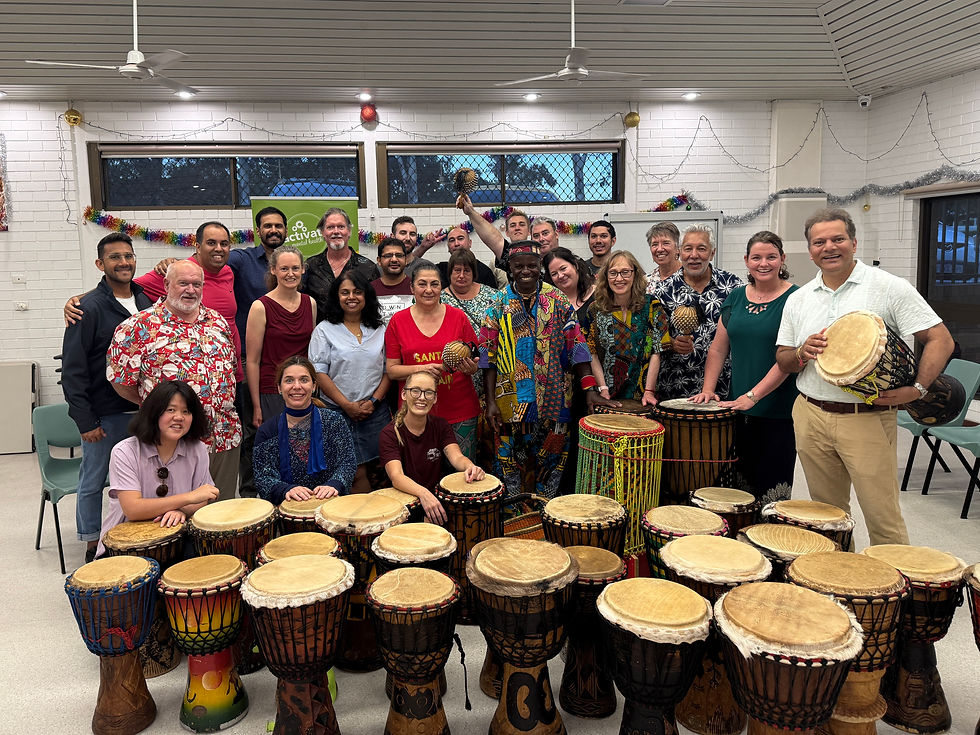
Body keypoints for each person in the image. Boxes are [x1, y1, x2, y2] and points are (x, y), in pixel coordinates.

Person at [776, 208, 954, 545]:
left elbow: (940, 339)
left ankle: (891, 596)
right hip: (811, 414)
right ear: (810, 249)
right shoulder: (798, 299)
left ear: (854, 243)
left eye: (837, 239)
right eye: (819, 242)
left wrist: (917, 389)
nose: (829, 247)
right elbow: (783, 358)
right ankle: (840, 588)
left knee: (881, 517)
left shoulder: (888, 287)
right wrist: (801, 352)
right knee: (826, 516)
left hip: (868, 417)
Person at [107, 259, 242, 500]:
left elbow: (230, 369)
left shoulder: (218, 322)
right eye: (183, 283)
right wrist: (158, 407)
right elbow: (121, 382)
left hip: (223, 436)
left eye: (197, 284)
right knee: (173, 517)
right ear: (166, 284)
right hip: (171, 444)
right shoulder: (136, 328)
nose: (191, 290)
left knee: (220, 517)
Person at [480, 241, 603, 498]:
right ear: (509, 269)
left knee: (552, 465)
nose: (526, 270)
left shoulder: (557, 299)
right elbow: (487, 356)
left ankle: (546, 515)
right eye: (519, 266)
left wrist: (589, 388)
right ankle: (515, 517)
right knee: (509, 466)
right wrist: (490, 400)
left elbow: (577, 346)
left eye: (532, 265)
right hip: (509, 403)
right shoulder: (497, 302)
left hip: (554, 400)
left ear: (540, 268)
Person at [62, 233, 153, 562]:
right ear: (101, 264)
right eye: (115, 257)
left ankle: (132, 534)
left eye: (128, 256)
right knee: (94, 477)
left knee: (136, 478)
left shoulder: (146, 301)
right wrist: (85, 420)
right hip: (105, 414)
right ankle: (91, 544)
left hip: (143, 412)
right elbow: (73, 371)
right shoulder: (87, 309)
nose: (123, 262)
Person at [64, 221, 244, 385]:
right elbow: (124, 283)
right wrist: (80, 300)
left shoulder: (228, 272)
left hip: (228, 376)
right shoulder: (174, 272)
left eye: (224, 244)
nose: (218, 248)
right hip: (186, 386)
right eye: (211, 243)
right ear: (197, 246)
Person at [691, 231, 799, 503]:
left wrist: (754, 396)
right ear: (747, 261)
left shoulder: (797, 299)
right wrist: (708, 389)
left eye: (771, 257)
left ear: (782, 259)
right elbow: (718, 348)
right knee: (739, 486)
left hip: (779, 409)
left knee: (772, 487)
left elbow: (787, 359)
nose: (764, 263)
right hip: (737, 406)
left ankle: (769, 539)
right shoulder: (736, 297)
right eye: (757, 257)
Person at [96, 380, 220, 557]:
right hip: (125, 545)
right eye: (171, 410)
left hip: (176, 538)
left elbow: (203, 498)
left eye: (186, 411)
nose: (179, 417)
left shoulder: (197, 449)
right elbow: (133, 509)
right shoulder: (125, 451)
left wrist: (181, 510)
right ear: (154, 412)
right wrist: (188, 498)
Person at [385, 261, 482, 458]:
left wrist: (472, 368)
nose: (428, 290)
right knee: (421, 476)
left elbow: (479, 357)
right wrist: (422, 369)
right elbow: (392, 370)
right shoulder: (398, 321)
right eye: (422, 284)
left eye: (434, 284)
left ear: (441, 287)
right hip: (416, 413)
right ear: (412, 288)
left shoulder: (458, 317)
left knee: (462, 477)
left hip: (459, 410)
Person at [309, 269, 391, 492]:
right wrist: (347, 405)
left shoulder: (380, 329)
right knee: (352, 474)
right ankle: (356, 523)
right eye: (345, 292)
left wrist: (373, 401)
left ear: (367, 296)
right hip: (337, 412)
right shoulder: (324, 330)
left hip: (375, 412)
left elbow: (388, 370)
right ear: (336, 297)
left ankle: (382, 522)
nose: (351, 297)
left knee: (381, 472)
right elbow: (319, 373)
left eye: (357, 291)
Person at [378, 371, 485, 524]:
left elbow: (457, 457)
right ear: (403, 394)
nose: (421, 397)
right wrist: (424, 494)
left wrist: (470, 467)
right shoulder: (389, 434)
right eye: (415, 391)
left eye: (428, 393)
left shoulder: (440, 425)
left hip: (434, 502)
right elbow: (397, 477)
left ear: (434, 398)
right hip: (403, 505)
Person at [655, 223, 744, 400]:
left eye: (701, 249)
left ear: (712, 252)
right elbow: (652, 337)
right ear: (680, 251)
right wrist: (671, 343)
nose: (694, 255)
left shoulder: (733, 287)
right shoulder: (662, 291)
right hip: (675, 385)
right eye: (688, 248)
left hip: (723, 386)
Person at [253, 357, 357, 504]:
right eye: (289, 380)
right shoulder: (267, 431)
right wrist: (285, 489)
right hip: (287, 512)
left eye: (304, 380)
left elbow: (348, 462)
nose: (296, 386)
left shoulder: (334, 421)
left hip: (331, 505)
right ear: (279, 388)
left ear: (314, 386)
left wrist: (334, 484)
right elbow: (262, 477)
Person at [245, 245, 316, 428]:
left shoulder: (310, 303)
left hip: (303, 389)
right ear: (273, 270)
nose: (290, 274)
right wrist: (256, 405)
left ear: (302, 269)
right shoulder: (260, 307)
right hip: (272, 391)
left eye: (295, 268)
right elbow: (253, 361)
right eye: (284, 269)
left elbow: (311, 352)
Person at [586, 251, 669, 404]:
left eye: (625, 272)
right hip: (608, 396)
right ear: (605, 276)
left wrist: (649, 392)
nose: (619, 278)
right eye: (613, 273)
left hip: (643, 396)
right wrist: (603, 389)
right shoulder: (595, 310)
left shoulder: (652, 306)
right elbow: (592, 354)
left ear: (635, 274)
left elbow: (656, 352)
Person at [303, 207, 379, 319]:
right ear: (323, 233)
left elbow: (374, 306)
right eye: (330, 227)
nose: (336, 231)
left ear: (349, 232)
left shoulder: (368, 267)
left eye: (341, 227)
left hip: (358, 332)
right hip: (321, 333)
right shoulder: (310, 266)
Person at [412, 226, 503, 288]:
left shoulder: (484, 272)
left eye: (460, 238)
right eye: (452, 240)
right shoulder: (440, 270)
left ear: (470, 243)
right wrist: (423, 247)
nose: (456, 243)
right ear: (448, 247)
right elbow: (407, 269)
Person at [544, 247, 596, 323]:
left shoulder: (599, 294)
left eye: (563, 268)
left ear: (575, 265)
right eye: (554, 274)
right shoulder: (549, 304)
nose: (560, 276)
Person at [371, 237, 414, 324]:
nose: (394, 259)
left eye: (399, 255)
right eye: (388, 256)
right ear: (379, 260)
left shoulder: (416, 287)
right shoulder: (369, 290)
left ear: (406, 260)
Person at [645, 221, 682, 291]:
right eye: (655, 244)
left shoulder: (691, 276)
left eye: (665, 243)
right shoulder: (646, 282)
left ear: (677, 248)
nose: (659, 249)